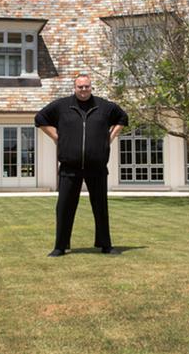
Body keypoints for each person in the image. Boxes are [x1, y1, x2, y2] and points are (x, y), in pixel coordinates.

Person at [35, 73, 128, 257]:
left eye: (87, 86)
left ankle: (105, 244)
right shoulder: (62, 106)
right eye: (80, 87)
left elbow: (123, 118)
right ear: (75, 87)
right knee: (64, 207)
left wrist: (109, 138)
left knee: (100, 206)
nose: (84, 90)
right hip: (70, 166)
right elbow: (40, 118)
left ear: (91, 87)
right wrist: (56, 137)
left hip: (97, 166)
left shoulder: (104, 107)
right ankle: (60, 246)